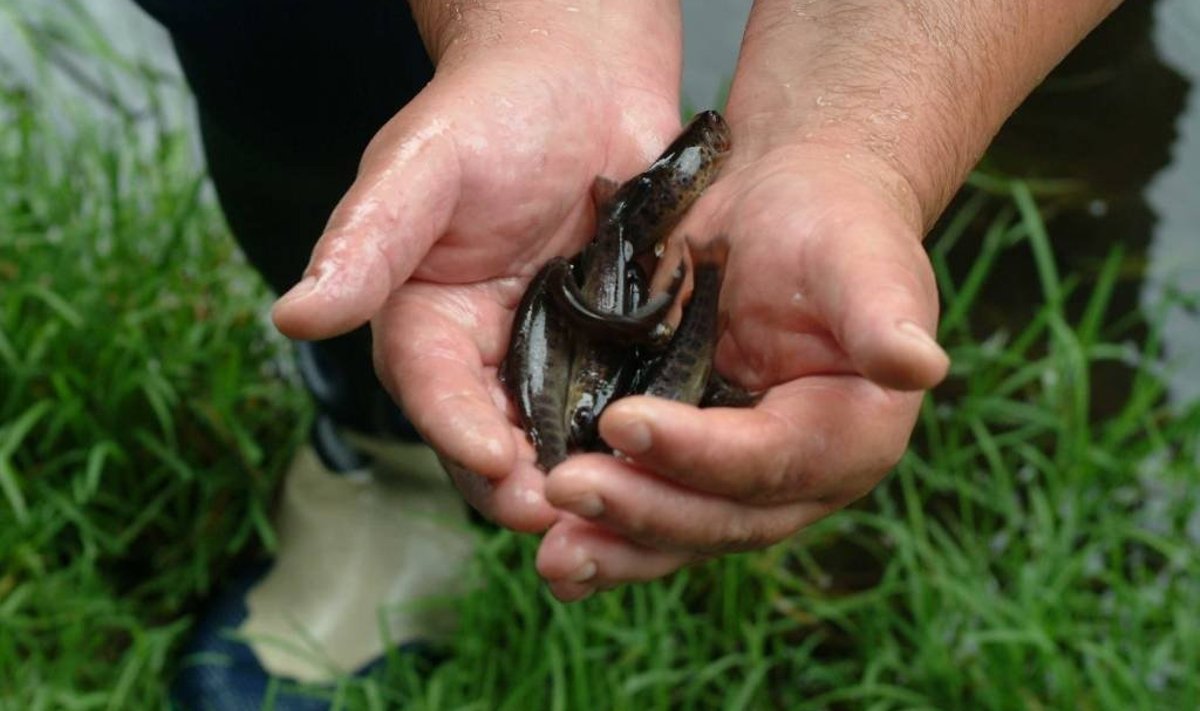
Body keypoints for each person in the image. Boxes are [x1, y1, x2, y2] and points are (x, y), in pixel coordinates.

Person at [133, 0, 1122, 703]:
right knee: (294, 55)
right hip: (569, 296)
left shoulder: (629, 242)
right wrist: (535, 27)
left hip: (605, 306)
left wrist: (860, 125)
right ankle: (381, 454)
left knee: (1088, 95)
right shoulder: (610, 260)